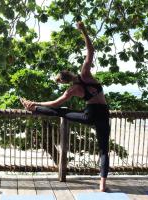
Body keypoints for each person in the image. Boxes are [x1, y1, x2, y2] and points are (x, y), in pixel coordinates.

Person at [20, 21, 110, 192]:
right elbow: (90, 50)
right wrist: (83, 30)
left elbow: (55, 105)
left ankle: (32, 108)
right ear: (69, 73)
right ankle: (102, 185)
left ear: (64, 81)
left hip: (89, 115)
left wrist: (37, 103)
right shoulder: (85, 73)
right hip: (103, 114)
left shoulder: (71, 90)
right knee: (104, 149)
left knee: (62, 112)